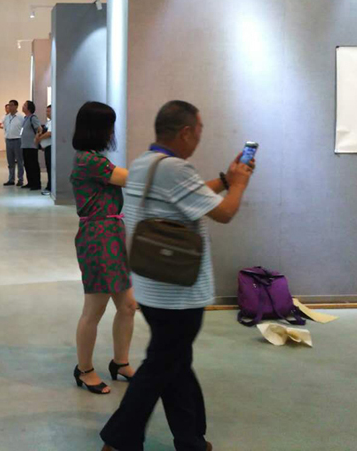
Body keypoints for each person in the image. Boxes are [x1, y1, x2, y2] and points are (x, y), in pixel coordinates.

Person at [100, 100, 254, 451]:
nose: (200, 137)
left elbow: (190, 197)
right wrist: (240, 184)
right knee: (161, 366)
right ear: (185, 132)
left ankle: (191, 439)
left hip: (151, 286)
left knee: (176, 364)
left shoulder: (146, 163)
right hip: (179, 294)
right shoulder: (176, 169)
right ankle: (118, 440)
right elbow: (224, 213)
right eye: (199, 130)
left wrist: (226, 179)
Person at [70, 102, 138, 395]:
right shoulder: (89, 160)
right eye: (109, 126)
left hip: (111, 234)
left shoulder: (94, 158)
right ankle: (84, 369)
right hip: (98, 238)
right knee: (94, 309)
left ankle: (120, 362)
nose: (112, 132)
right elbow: (130, 178)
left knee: (128, 305)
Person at [20, 100, 42, 190]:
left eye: (25, 105)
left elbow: (39, 129)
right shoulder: (25, 118)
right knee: (27, 165)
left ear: (29, 108)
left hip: (31, 146)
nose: (23, 106)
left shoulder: (33, 118)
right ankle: (30, 182)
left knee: (33, 165)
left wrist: (37, 138)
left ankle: (36, 184)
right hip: (25, 145)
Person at [2, 100, 24, 186]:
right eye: (9, 105)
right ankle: (11, 179)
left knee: (19, 161)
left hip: (18, 140)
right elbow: (5, 128)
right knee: (10, 161)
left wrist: (21, 136)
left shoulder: (21, 117)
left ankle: (20, 179)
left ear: (16, 106)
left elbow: (23, 128)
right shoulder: (6, 117)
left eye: (11, 105)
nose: (9, 107)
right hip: (8, 140)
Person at [36, 104, 53, 196]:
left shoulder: (53, 122)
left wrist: (39, 138)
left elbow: (49, 133)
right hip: (47, 148)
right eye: (46, 111)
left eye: (49, 111)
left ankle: (50, 187)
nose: (47, 113)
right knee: (48, 167)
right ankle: (49, 186)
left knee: (50, 168)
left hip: (51, 148)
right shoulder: (48, 122)